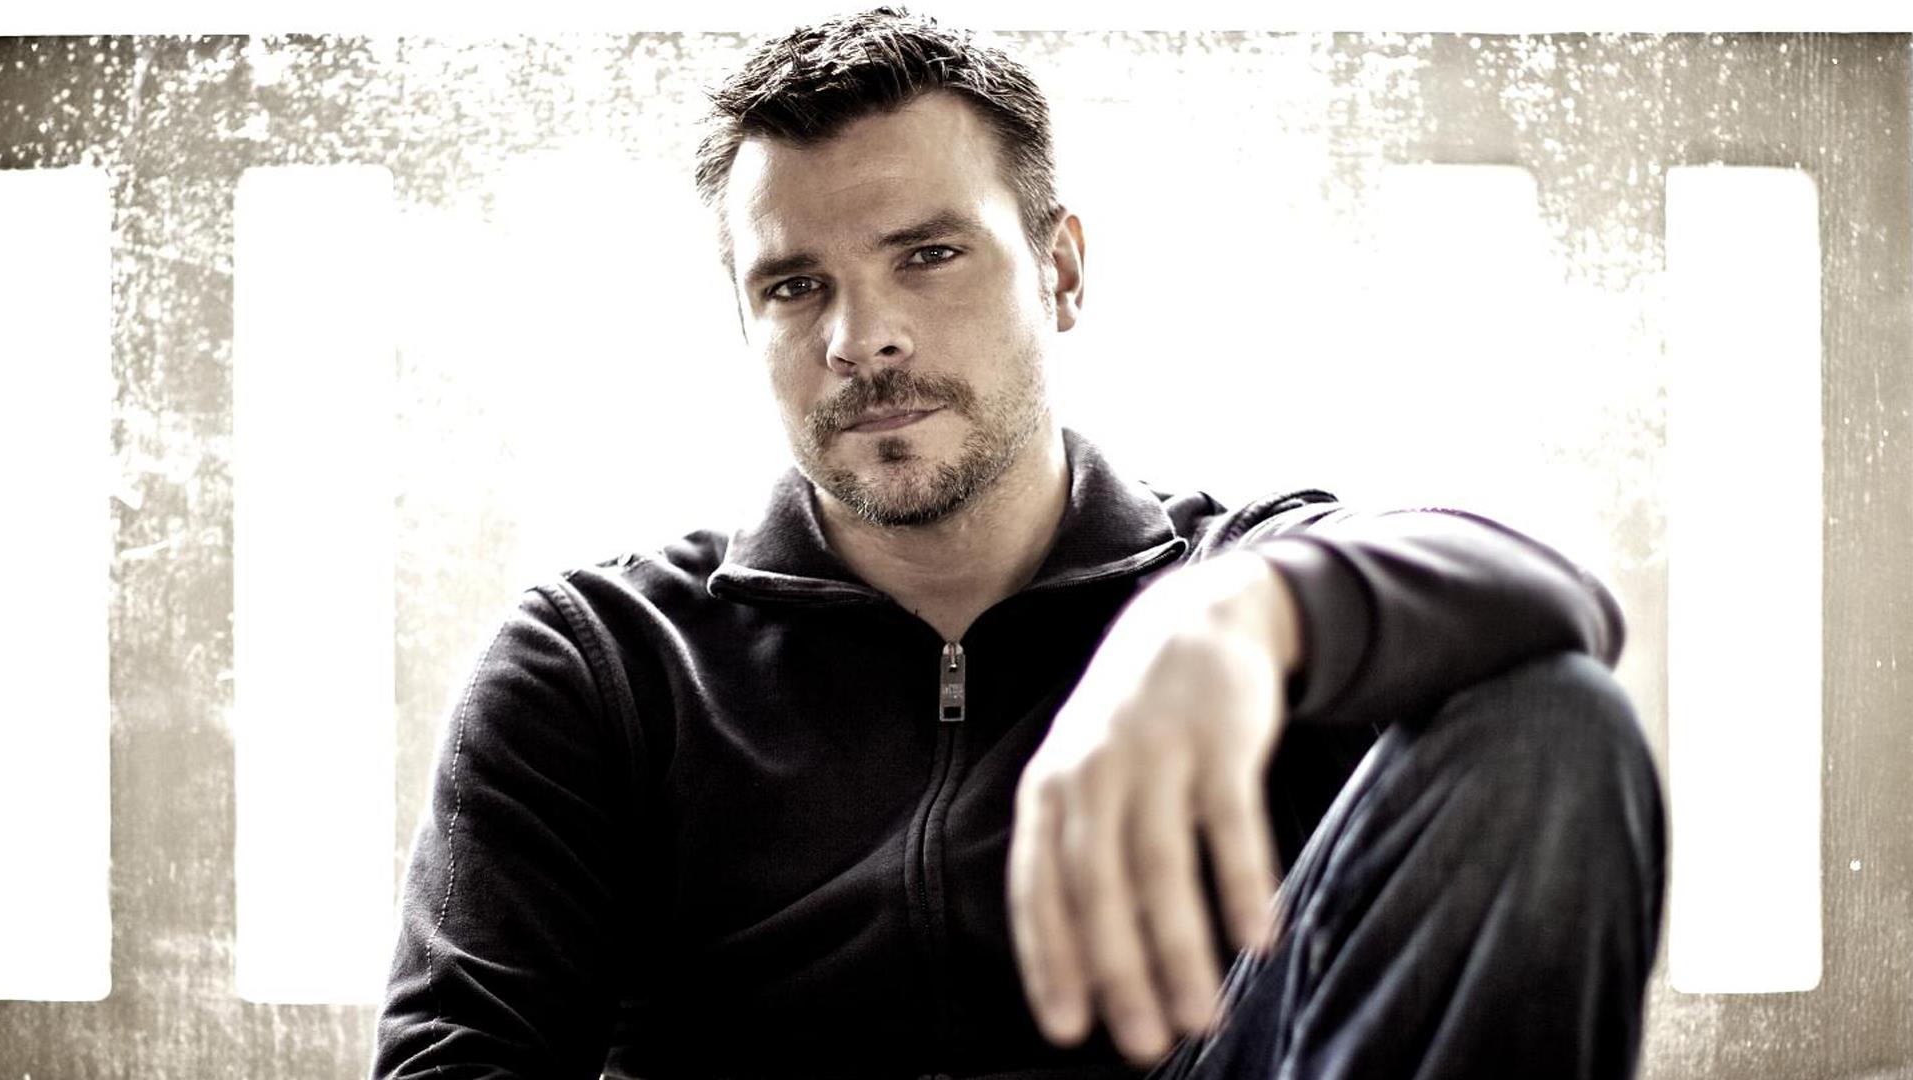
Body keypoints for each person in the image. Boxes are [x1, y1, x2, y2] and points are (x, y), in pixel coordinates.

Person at [372, 9, 1665, 1079]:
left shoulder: (1239, 583)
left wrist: (1244, 615)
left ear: (1062, 272)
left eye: (929, 255)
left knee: (1550, 721)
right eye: (795, 285)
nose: (861, 339)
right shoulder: (601, 661)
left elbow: (1556, 590)